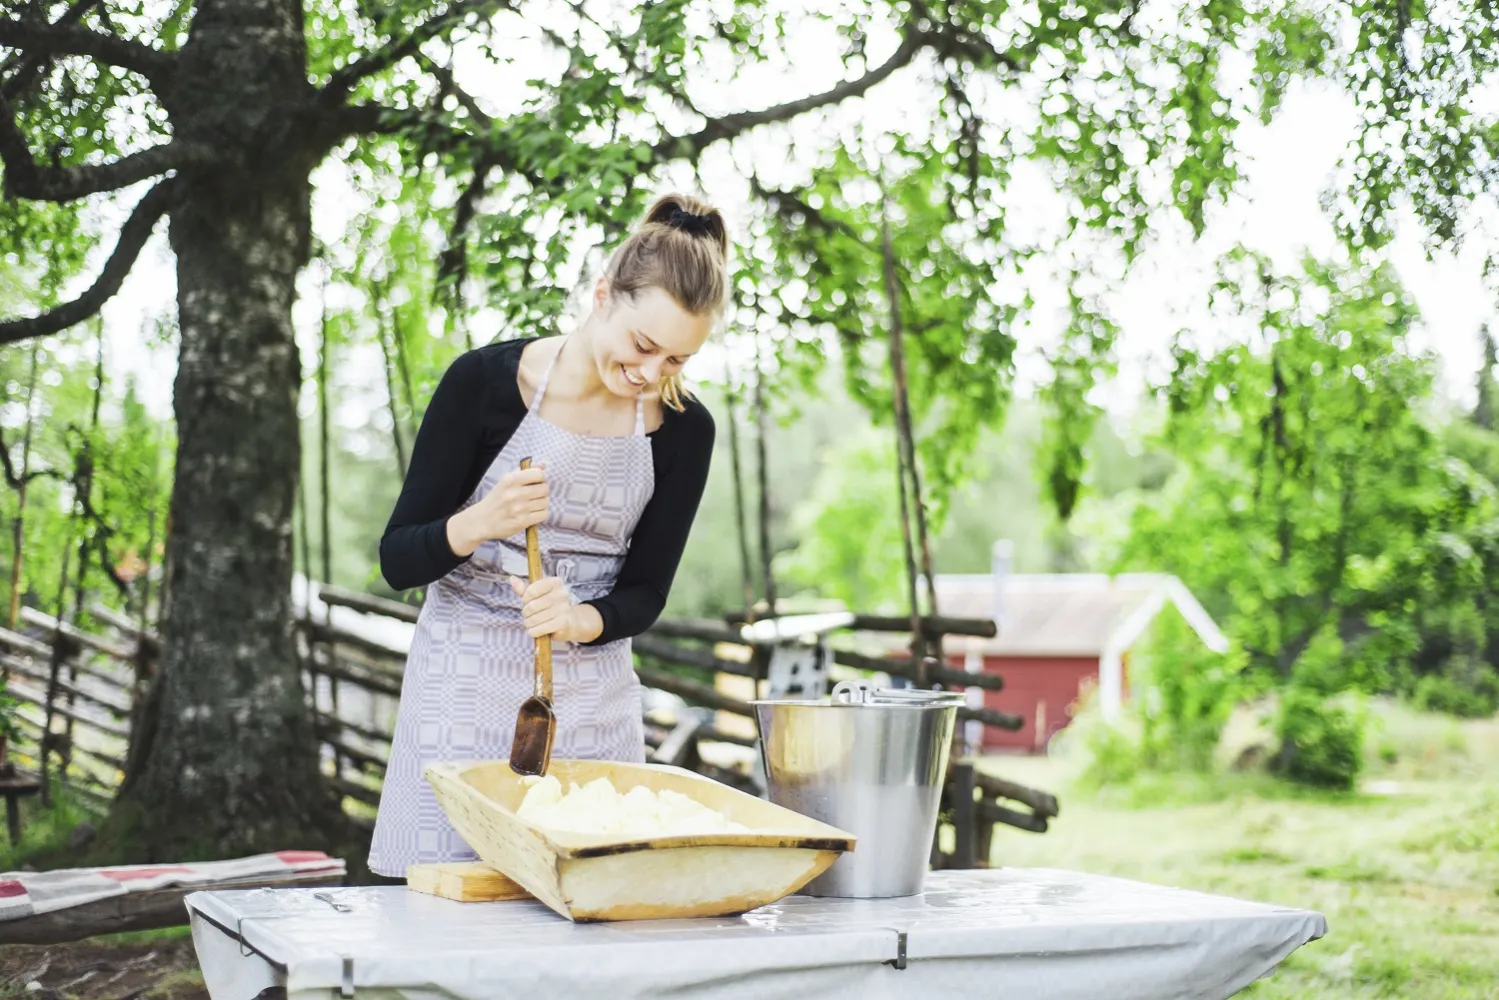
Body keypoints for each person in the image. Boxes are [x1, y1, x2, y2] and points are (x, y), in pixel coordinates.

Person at [367, 194, 725, 877]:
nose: (650, 374)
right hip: (461, 687)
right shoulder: (484, 385)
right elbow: (397, 559)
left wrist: (583, 619)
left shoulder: (684, 429)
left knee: (596, 897)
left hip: (594, 699)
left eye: (677, 360)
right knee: (457, 900)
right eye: (644, 345)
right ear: (600, 295)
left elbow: (647, 590)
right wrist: (480, 522)